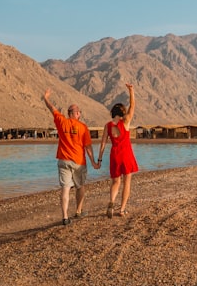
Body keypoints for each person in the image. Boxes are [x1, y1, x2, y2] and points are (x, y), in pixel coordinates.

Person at [42, 88, 99, 225]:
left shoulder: (62, 121)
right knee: (80, 186)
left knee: (65, 189)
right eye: (79, 111)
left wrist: (46, 98)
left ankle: (65, 217)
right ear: (77, 114)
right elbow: (88, 147)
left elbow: (52, 108)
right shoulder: (83, 127)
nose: (80, 113)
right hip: (79, 162)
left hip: (63, 160)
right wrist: (93, 162)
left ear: (68, 114)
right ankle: (78, 211)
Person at [97, 83, 138, 217]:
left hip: (114, 155)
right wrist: (131, 90)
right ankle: (122, 209)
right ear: (122, 113)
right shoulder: (125, 122)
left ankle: (111, 202)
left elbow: (103, 143)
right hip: (126, 154)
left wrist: (99, 159)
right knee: (127, 181)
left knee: (116, 181)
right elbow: (132, 106)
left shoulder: (108, 126)